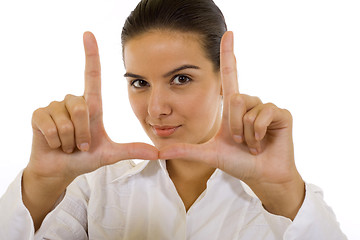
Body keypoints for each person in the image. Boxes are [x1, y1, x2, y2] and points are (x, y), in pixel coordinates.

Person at [0, 0, 347, 239]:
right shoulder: (92, 189)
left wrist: (284, 193)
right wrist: (39, 186)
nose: (155, 109)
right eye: (139, 83)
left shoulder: (287, 201)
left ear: (224, 80)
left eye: (181, 79)